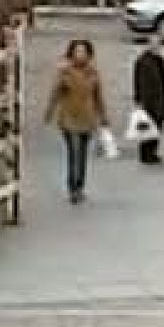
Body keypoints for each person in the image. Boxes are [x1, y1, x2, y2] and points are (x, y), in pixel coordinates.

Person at [45, 38, 108, 204]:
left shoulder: (93, 73)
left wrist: (103, 117)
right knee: (74, 152)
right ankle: (73, 188)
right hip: (69, 118)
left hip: (87, 119)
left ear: (89, 54)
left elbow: (98, 96)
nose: (80, 55)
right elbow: (55, 93)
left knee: (82, 154)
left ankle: (80, 186)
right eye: (77, 51)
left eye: (83, 51)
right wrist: (49, 112)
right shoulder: (65, 72)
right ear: (71, 54)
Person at [131, 34, 164, 165]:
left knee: (158, 127)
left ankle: (153, 152)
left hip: (160, 99)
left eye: (158, 44)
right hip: (148, 100)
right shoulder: (142, 61)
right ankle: (145, 154)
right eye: (154, 43)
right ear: (148, 44)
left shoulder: (160, 60)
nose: (156, 46)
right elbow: (138, 81)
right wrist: (139, 99)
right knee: (147, 127)